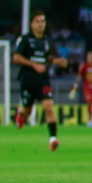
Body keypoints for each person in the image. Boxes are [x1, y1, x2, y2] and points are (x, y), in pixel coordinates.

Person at [13, 10, 69, 151]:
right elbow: (16, 58)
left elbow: (47, 58)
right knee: (27, 111)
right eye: (37, 22)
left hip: (43, 80)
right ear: (32, 24)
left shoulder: (47, 41)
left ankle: (53, 139)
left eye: (42, 22)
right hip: (28, 80)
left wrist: (57, 61)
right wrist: (34, 65)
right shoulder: (25, 39)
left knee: (49, 108)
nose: (40, 25)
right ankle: (21, 113)